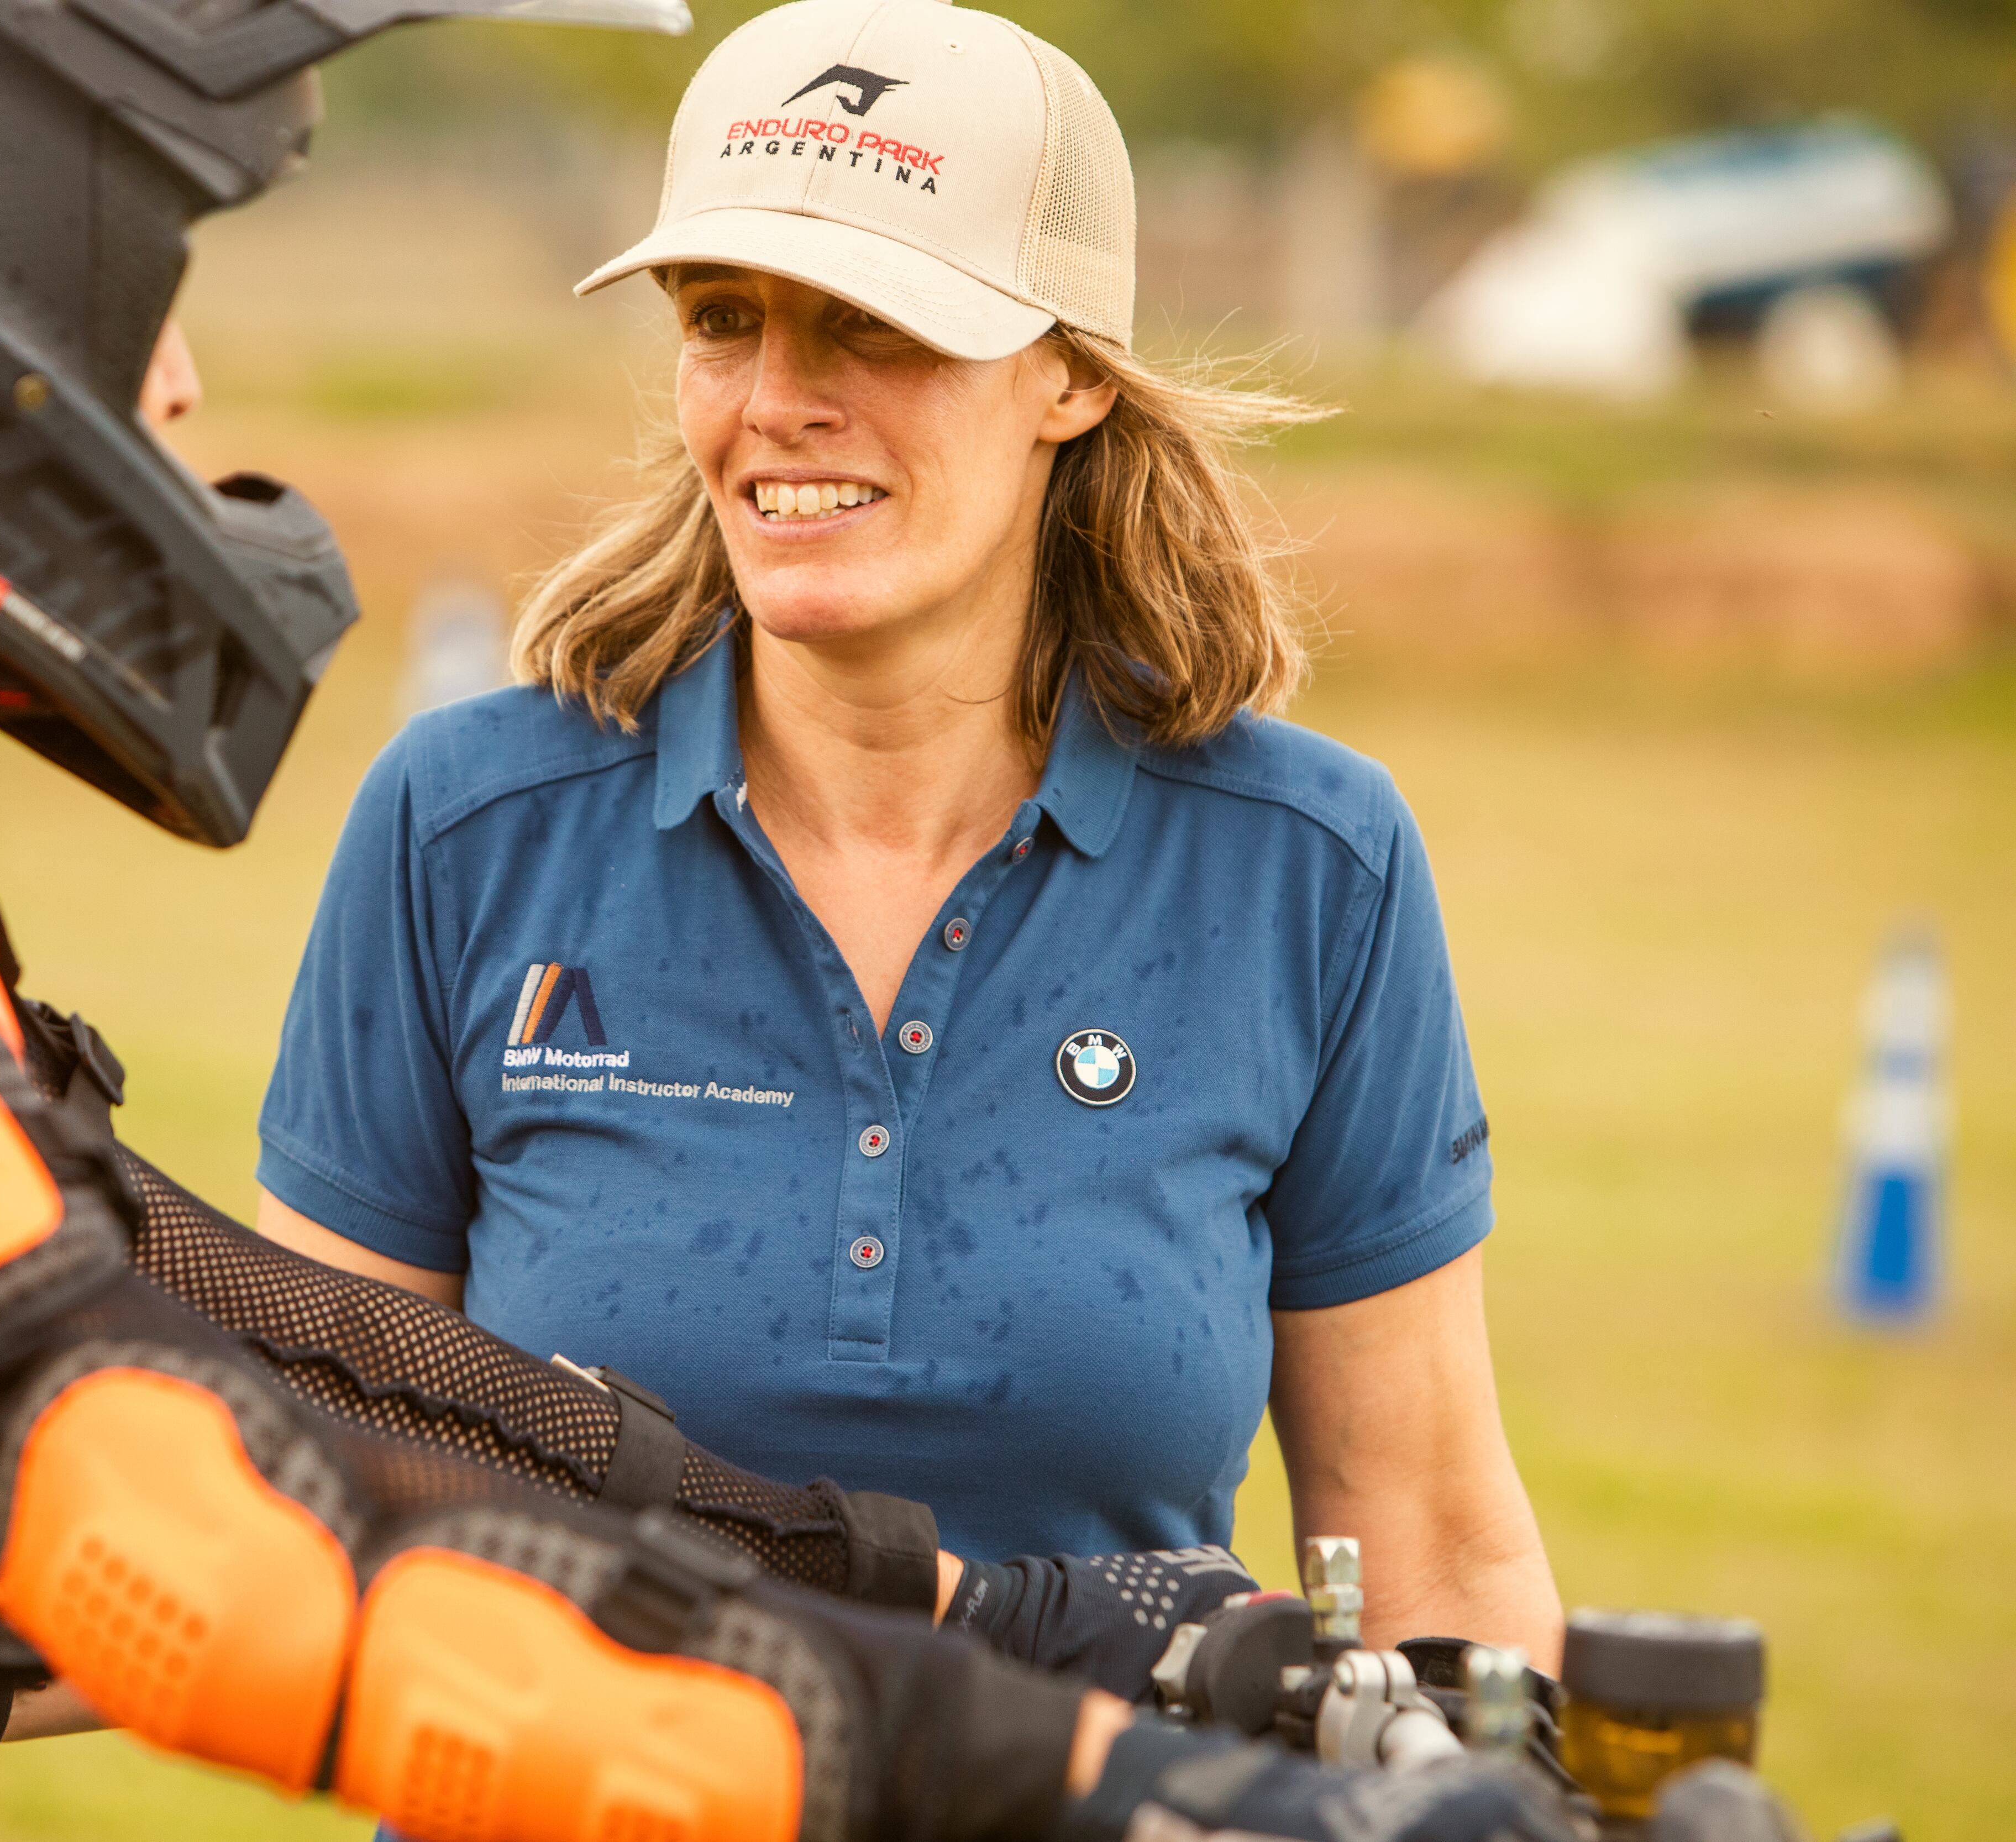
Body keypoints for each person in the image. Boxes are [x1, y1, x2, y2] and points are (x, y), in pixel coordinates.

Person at [0, 0, 1582, 1839]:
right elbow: (226, 1525)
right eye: (124, 291)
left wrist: (1022, 1613)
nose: (175, 386)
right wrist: (1088, 1760)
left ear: (1069, 376)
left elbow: (258, 1371)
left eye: (869, 327)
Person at [254, 0, 1564, 1661]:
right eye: (724, 320)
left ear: (1069, 372)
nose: (777, 401)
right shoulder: (465, 828)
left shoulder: (1309, 866)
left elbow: (1432, 1554)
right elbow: (294, 1504)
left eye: (871, 324)